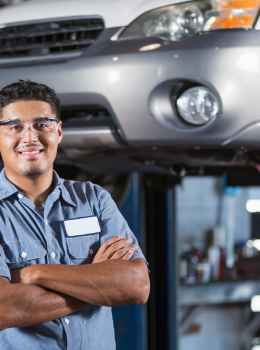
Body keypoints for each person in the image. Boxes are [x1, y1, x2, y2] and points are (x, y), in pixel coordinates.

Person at [0, 80, 150, 349]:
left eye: (42, 124)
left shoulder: (94, 199)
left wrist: (34, 274)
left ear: (58, 131)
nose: (30, 137)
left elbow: (136, 285)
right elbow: (3, 309)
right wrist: (98, 285)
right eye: (15, 127)